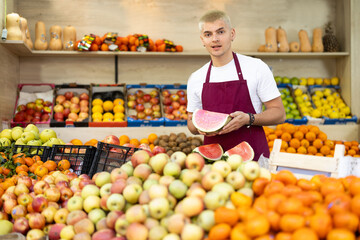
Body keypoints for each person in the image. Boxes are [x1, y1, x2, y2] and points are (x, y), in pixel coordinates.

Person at [186, 10, 286, 161]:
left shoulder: (256, 67)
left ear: (232, 34)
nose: (215, 39)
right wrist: (201, 127)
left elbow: (279, 113)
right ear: (202, 40)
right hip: (214, 163)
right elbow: (191, 122)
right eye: (208, 34)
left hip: (253, 158)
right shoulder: (196, 77)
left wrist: (249, 119)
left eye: (220, 32)